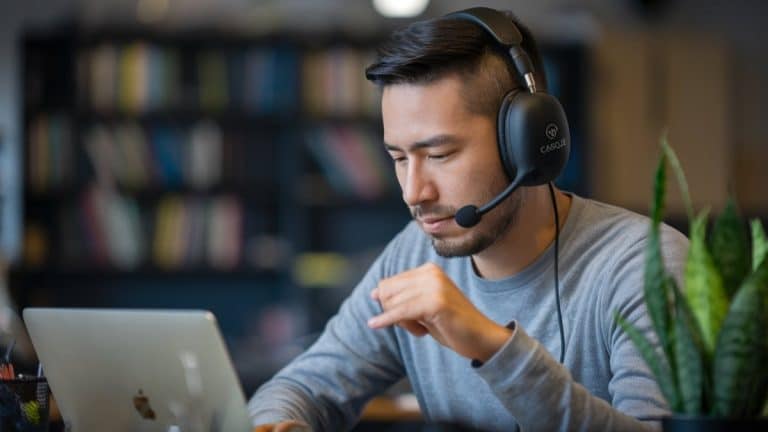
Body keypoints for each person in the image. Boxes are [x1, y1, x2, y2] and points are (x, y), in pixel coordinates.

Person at [249, 7, 688, 432]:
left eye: (440, 155)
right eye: (399, 158)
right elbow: (303, 386)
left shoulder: (645, 267)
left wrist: (492, 346)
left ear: (524, 142)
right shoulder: (413, 253)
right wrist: (279, 424)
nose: (413, 192)